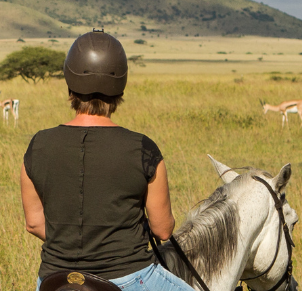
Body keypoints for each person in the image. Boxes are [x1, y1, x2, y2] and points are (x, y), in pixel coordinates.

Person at [19, 29, 191, 291]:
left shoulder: (37, 145)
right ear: (120, 85)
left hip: (54, 280)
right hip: (129, 277)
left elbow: (33, 223)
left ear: (70, 82)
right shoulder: (143, 149)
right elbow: (163, 230)